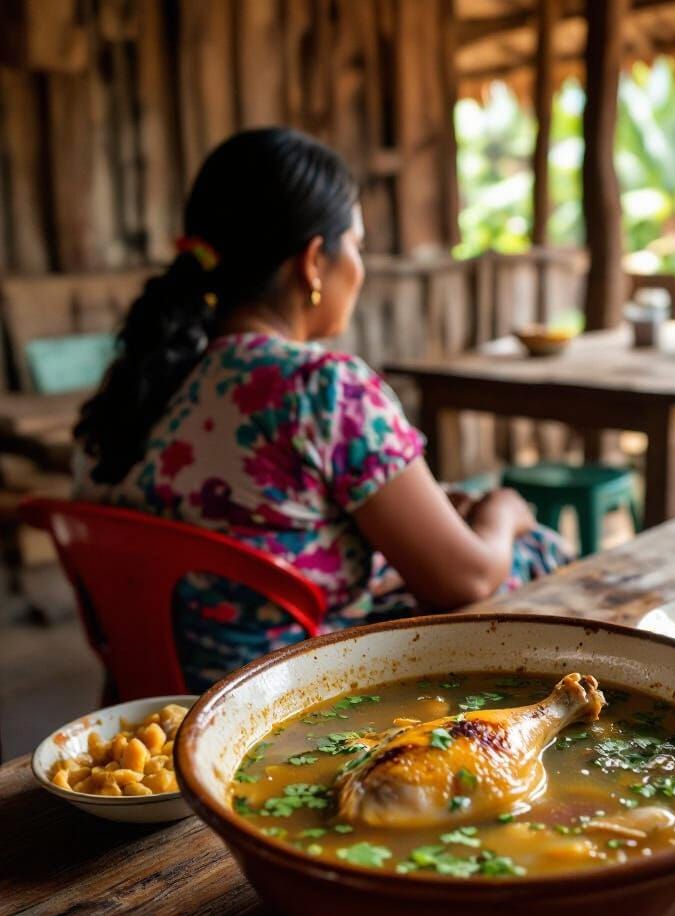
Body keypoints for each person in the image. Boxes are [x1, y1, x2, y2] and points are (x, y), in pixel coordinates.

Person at [73, 127, 570, 692]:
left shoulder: (135, 384)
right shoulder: (322, 388)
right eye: (355, 244)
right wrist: (504, 508)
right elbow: (467, 578)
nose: (359, 264)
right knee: (531, 553)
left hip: (157, 703)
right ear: (313, 261)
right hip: (287, 706)